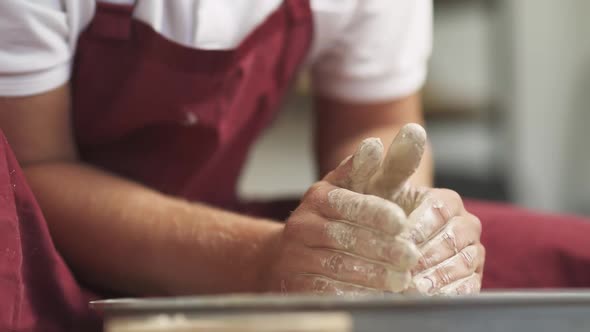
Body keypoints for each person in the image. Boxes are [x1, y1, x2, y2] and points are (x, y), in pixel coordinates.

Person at [0, 1, 589, 331]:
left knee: (566, 257)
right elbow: (37, 168)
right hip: (37, 241)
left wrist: (391, 225)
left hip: (227, 226)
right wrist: (260, 264)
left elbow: (376, 122)